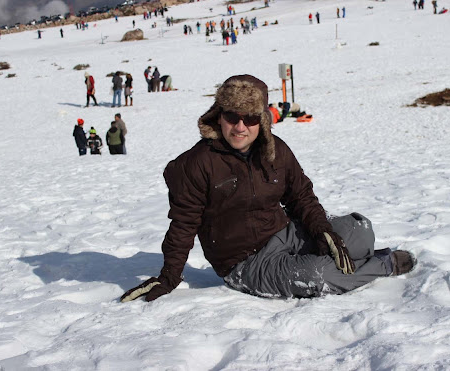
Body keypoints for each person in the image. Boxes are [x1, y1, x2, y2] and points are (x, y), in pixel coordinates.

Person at [120, 75, 415, 303]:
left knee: (360, 229)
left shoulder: (276, 151)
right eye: (232, 117)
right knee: (320, 275)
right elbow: (183, 225)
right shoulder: (196, 164)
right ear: (218, 116)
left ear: (261, 120)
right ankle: (381, 265)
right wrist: (169, 277)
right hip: (245, 262)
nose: (240, 127)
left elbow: (301, 196)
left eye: (249, 118)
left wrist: (322, 231)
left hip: (284, 234)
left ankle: (339, 258)